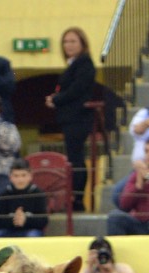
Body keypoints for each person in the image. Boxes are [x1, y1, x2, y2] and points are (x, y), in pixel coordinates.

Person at [45, 26, 96, 211]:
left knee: (76, 159)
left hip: (78, 118)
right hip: (70, 117)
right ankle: (75, 196)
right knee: (74, 158)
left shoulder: (84, 63)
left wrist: (56, 99)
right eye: (66, 41)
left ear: (82, 43)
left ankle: (78, 198)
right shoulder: (74, 63)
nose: (68, 45)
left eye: (73, 41)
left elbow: (77, 89)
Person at [0, 157, 48, 237]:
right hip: (8, 230)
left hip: (31, 230)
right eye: (16, 176)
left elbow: (44, 221)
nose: (20, 180)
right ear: (10, 177)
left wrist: (26, 220)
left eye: (23, 175)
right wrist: (14, 220)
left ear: (30, 176)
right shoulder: (4, 195)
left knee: (33, 236)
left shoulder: (38, 194)